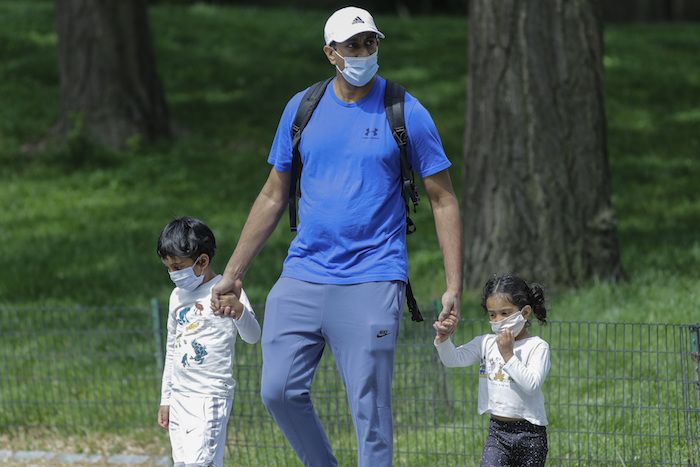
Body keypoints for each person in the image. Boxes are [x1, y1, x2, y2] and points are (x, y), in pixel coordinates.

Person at [211, 6, 462, 466]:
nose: (364, 52)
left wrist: (453, 287)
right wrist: (232, 273)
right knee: (278, 392)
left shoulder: (405, 110)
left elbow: (444, 200)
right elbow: (273, 194)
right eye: (352, 45)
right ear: (331, 53)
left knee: (371, 413)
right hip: (303, 273)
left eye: (370, 43)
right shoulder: (302, 107)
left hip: (373, 277)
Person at [156, 216, 261, 467]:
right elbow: (172, 349)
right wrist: (166, 399)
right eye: (168, 268)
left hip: (209, 396)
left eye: (178, 267)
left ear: (202, 261)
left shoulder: (226, 290)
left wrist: (238, 311)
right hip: (179, 396)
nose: (173, 274)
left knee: (200, 463)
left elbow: (253, 335)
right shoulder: (176, 297)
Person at [434, 274, 550, 466]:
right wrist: (443, 339)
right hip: (498, 432)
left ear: (525, 312)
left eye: (505, 313)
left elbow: (531, 386)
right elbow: (453, 359)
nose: (498, 320)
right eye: (492, 314)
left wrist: (508, 354)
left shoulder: (537, 347)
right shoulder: (486, 343)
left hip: (531, 434)